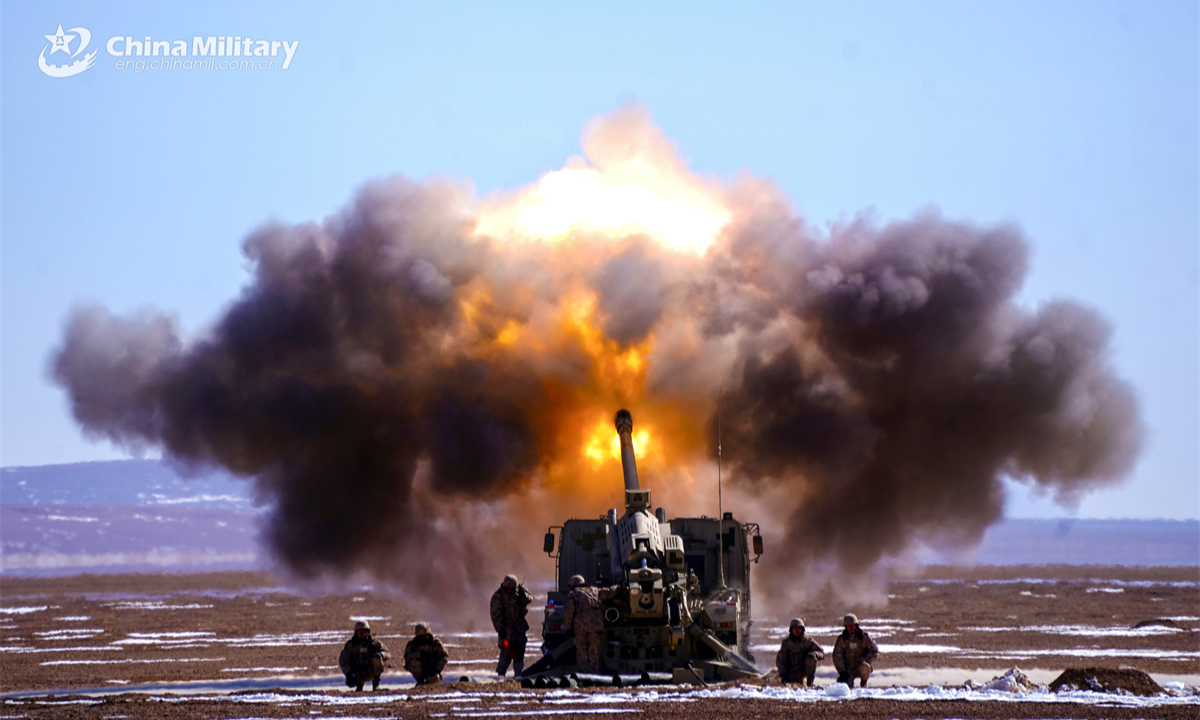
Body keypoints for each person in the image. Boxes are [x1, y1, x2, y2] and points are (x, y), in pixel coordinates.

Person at [563, 574, 616, 673]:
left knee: (581, 651)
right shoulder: (595, 591)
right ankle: (593, 673)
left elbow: (568, 613)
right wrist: (619, 587)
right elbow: (609, 592)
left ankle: (583, 674)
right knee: (593, 650)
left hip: (580, 628)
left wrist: (568, 628)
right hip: (595, 627)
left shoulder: (573, 594)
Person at [490, 574, 533, 677]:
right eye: (507, 588)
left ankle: (518, 674)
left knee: (519, 651)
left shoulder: (520, 591)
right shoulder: (498, 596)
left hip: (519, 628)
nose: (509, 590)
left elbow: (529, 599)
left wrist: (524, 596)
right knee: (506, 653)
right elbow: (495, 614)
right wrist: (500, 629)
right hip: (506, 629)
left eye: (511, 588)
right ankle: (501, 673)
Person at [338, 620, 389, 692]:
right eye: (360, 632)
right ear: (356, 633)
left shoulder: (374, 642)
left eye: (365, 632)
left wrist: (381, 654)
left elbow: (386, 652)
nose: (363, 634)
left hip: (371, 670)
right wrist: (349, 672)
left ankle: (376, 685)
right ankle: (359, 687)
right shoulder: (351, 645)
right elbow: (342, 659)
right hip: (357, 672)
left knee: (377, 659)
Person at [832, 613, 878, 687]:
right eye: (848, 626)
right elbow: (837, 656)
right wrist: (842, 672)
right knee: (844, 687)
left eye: (852, 625)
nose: (850, 628)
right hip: (848, 670)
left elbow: (875, 651)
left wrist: (866, 658)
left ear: (856, 625)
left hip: (861, 667)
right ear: (846, 627)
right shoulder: (842, 639)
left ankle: (864, 683)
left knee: (865, 667)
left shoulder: (864, 638)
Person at [776, 617, 824, 687]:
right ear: (791, 629)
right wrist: (783, 675)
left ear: (802, 629)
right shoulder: (787, 643)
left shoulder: (808, 641)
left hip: (804, 669)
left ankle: (810, 683)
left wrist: (815, 654)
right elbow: (780, 660)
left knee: (811, 659)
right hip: (792, 671)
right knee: (789, 684)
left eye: (799, 628)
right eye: (795, 628)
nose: (797, 630)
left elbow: (821, 652)